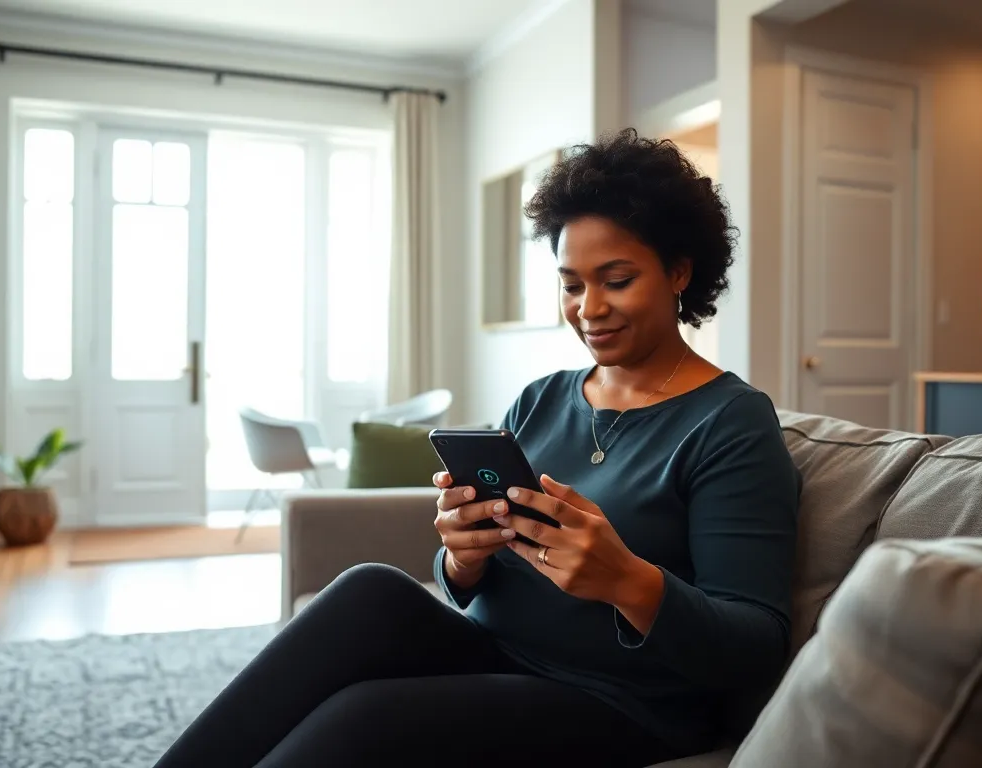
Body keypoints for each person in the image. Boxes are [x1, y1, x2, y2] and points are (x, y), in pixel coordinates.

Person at [152, 128, 801, 768]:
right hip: (497, 653)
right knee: (369, 590)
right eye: (572, 284)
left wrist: (629, 581)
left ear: (679, 271)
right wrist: (461, 558)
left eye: (617, 279)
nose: (589, 308)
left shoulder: (729, 421)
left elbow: (755, 645)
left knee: (364, 720)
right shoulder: (543, 399)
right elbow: (464, 577)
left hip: (625, 705)